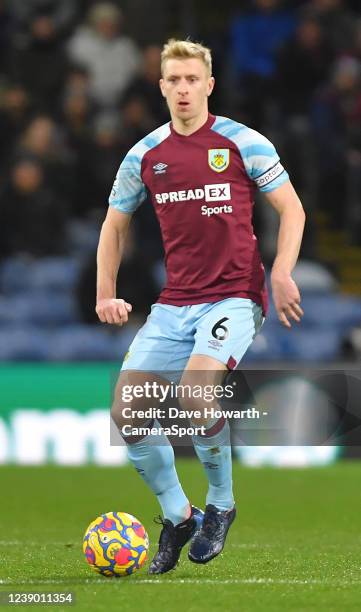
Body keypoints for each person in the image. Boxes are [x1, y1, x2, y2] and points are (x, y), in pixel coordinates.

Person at [96, 39, 305, 575]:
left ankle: (221, 504)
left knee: (194, 392)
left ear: (209, 85)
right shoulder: (145, 154)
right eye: (174, 80)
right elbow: (115, 223)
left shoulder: (243, 142)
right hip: (174, 303)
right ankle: (178, 514)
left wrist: (280, 271)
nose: (184, 88)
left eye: (193, 79)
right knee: (128, 412)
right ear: (162, 86)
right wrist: (105, 291)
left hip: (235, 295)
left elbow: (291, 208)